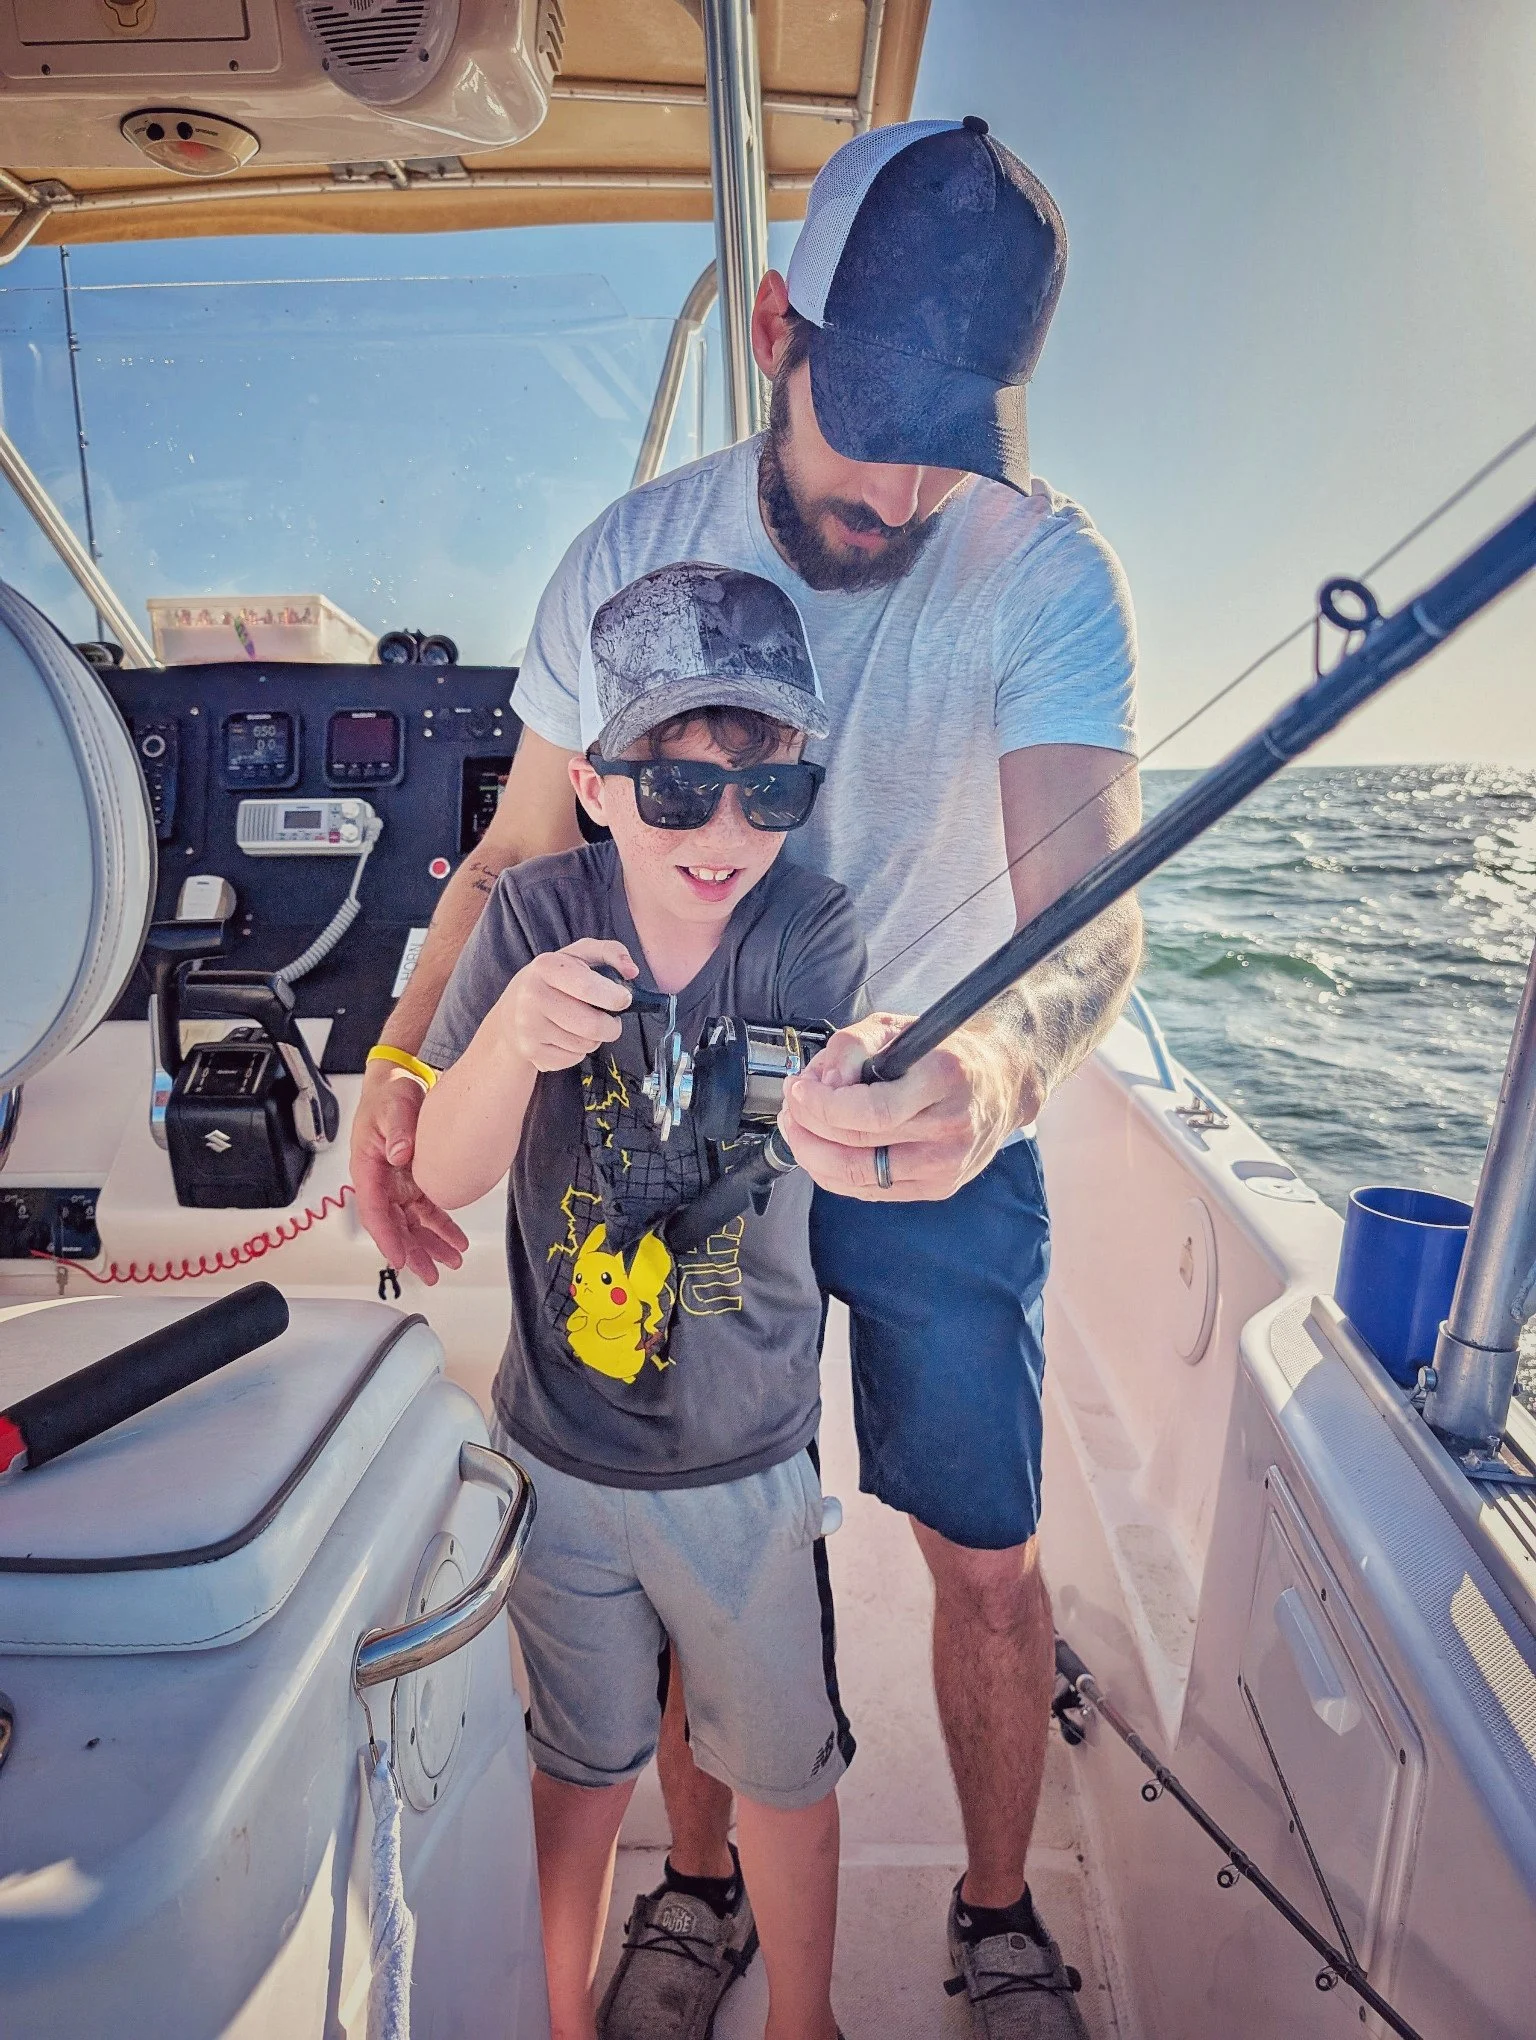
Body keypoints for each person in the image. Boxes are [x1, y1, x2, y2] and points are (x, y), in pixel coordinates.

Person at [354, 117, 1141, 2039]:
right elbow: (513, 859)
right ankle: (698, 1892)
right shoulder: (627, 556)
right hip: (679, 1113)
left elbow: (1097, 915)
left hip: (936, 1116)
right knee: (697, 1494)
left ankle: (995, 1911)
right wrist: (404, 1054)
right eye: (865, 420)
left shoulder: (1046, 575)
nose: (895, 493)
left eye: (948, 443)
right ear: (778, 329)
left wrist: (999, 1069)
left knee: (988, 1552)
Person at [410, 562, 864, 2040]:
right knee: (580, 1768)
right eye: (675, 791)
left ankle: (804, 2020)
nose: (723, 834)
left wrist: (893, 1080)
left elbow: (839, 1118)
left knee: (786, 1779)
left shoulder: (813, 929)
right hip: (557, 1455)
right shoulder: (535, 913)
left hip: (745, 1472)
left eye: (766, 791)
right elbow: (457, 1171)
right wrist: (506, 1049)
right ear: (598, 787)